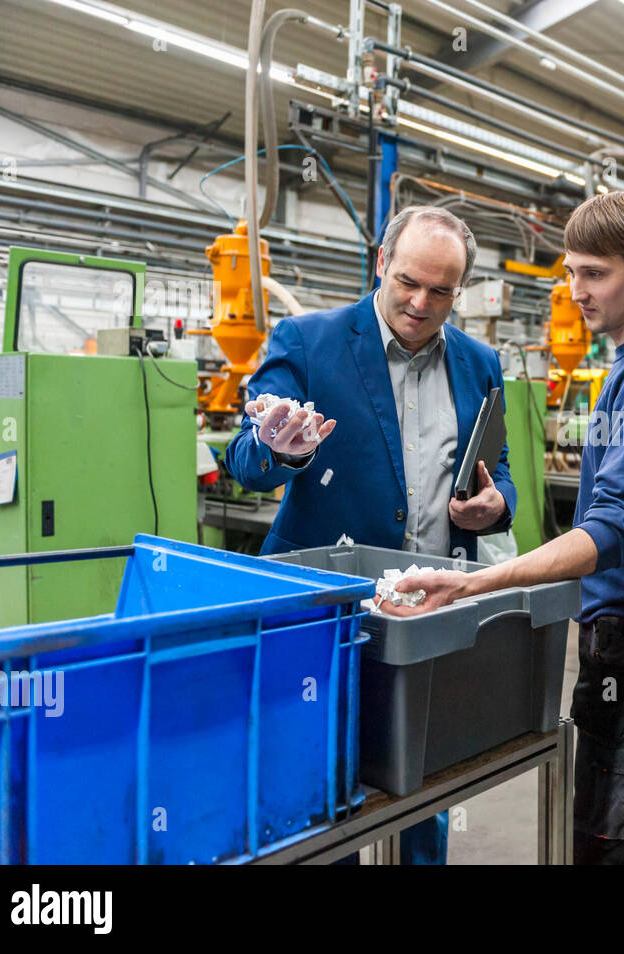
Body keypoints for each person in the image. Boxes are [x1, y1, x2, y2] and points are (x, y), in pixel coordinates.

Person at [390, 191, 624, 865]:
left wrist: (481, 582)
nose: (576, 291)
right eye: (572, 272)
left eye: (596, 274)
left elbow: (618, 528)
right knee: (605, 828)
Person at [225, 205, 517, 865]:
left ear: (458, 291)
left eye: (441, 290)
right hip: (324, 617)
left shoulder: (480, 364)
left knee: (425, 776)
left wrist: (495, 506)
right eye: (409, 280)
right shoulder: (307, 341)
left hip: (430, 610)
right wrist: (285, 448)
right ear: (381, 263)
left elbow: (496, 472)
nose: (420, 302)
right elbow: (248, 461)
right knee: (324, 794)